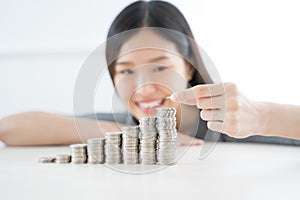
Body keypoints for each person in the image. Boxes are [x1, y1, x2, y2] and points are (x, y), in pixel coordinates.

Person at [0, 1, 300, 146]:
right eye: (126, 70)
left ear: (189, 65)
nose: (143, 88)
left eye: (160, 66)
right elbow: (9, 128)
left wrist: (262, 116)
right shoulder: (121, 126)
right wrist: (138, 135)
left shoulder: (238, 125)